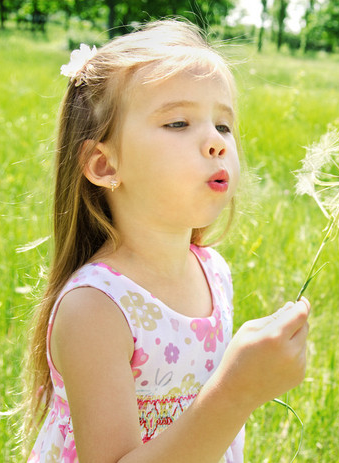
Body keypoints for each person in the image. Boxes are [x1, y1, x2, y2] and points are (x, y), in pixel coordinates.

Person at [22, 19, 311, 463]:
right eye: (178, 123)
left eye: (224, 126)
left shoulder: (213, 271)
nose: (216, 142)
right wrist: (237, 391)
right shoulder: (96, 308)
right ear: (103, 165)